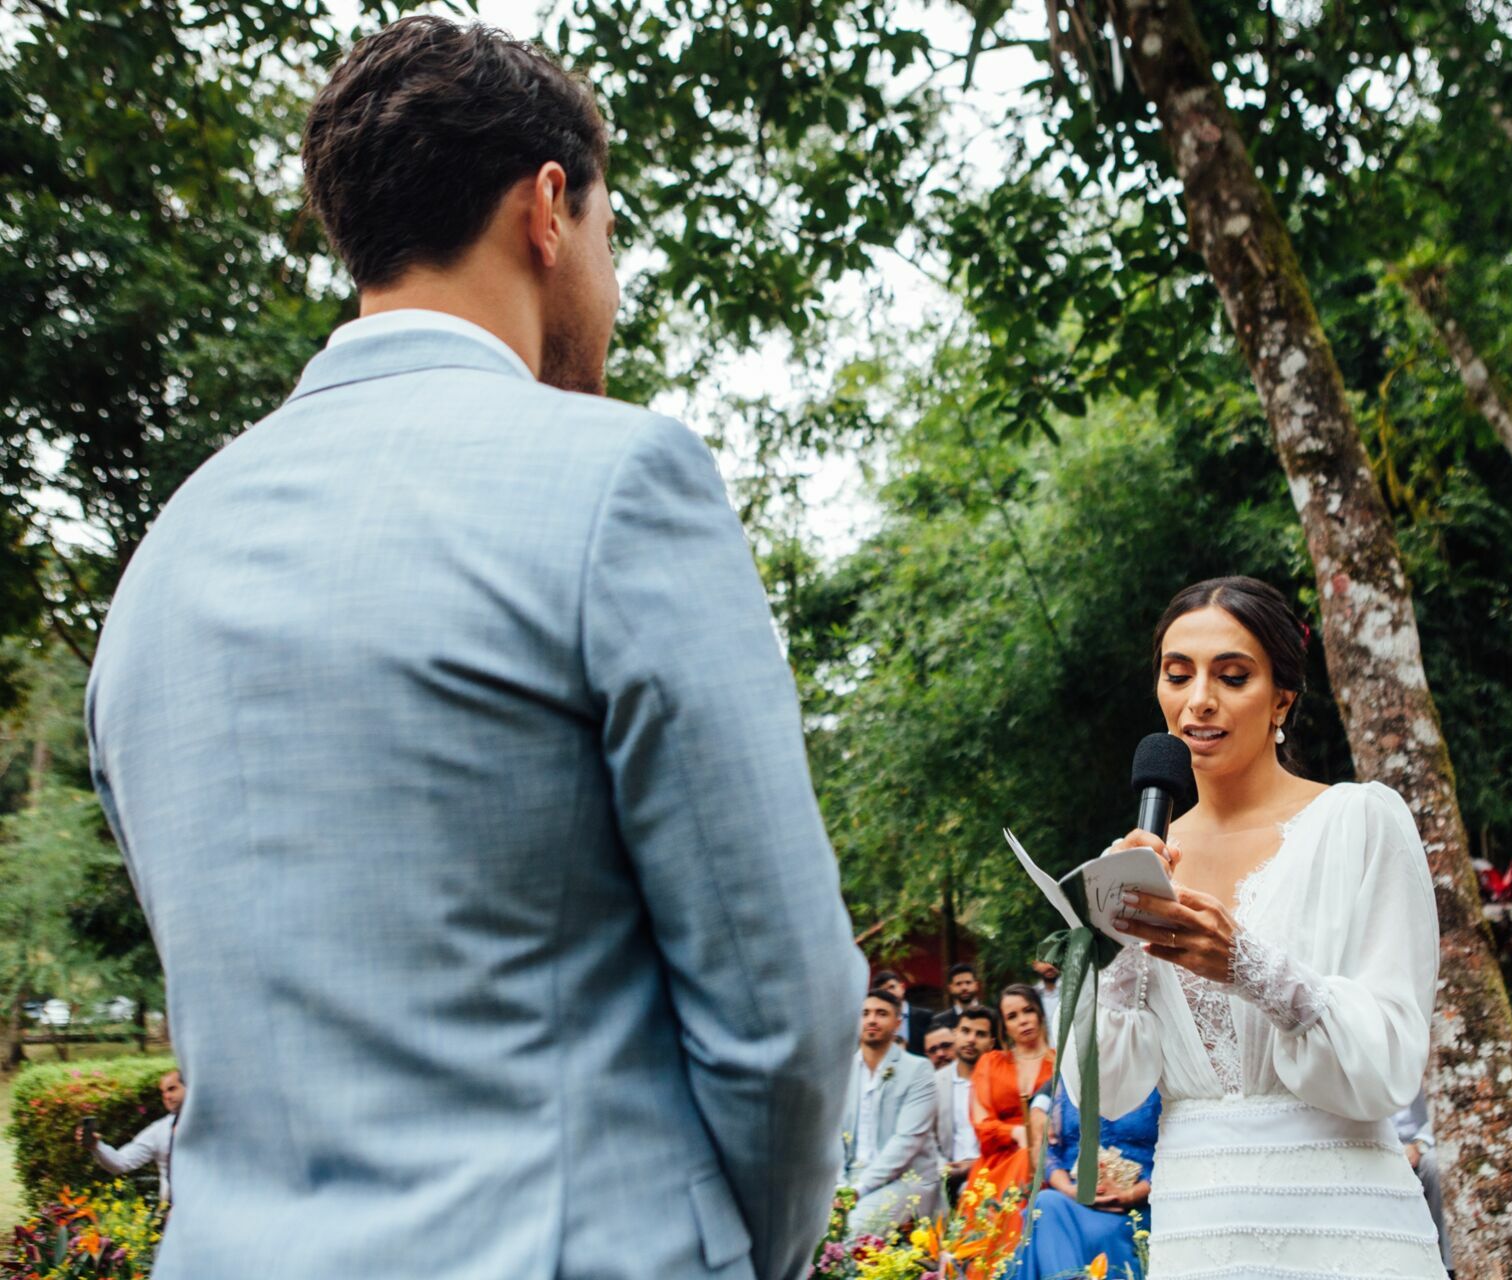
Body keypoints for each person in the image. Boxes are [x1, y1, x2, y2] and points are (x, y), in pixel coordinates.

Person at [82, 17, 865, 1279]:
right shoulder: (622, 478)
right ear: (548, 208)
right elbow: (787, 1011)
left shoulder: (160, 563)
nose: (610, 280)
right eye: (611, 234)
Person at [1072, 576, 1446, 1279]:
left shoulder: (1360, 823)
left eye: (1232, 675)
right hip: (1199, 1230)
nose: (1199, 699)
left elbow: (1392, 1062)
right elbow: (1107, 1092)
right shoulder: (1132, 863)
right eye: (1177, 674)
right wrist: (1115, 950)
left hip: (1351, 1228)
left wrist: (1247, 965)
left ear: (1282, 698)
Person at [1004, 1083, 1160, 1280]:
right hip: (1074, 1200)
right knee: (1046, 1203)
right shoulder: (1069, 1080)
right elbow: (1048, 1151)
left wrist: (1131, 1195)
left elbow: (1178, 1158)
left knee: (1088, 1231)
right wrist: (1069, 1189)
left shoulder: (1160, 1081)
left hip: (1140, 1204)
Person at [954, 985, 1054, 1277]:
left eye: (1028, 1011)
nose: (1022, 1021)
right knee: (1024, 1160)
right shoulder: (990, 1062)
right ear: (1004, 1027)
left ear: (1040, 1014)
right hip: (997, 1162)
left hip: (1049, 1159)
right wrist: (1016, 1133)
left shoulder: (1061, 1062)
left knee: (1031, 1160)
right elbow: (982, 1123)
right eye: (1012, 1016)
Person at [842, 989, 940, 1238]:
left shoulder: (918, 1069)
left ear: (897, 1023)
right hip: (850, 1178)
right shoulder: (843, 1071)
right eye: (865, 1013)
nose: (871, 1020)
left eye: (881, 1013)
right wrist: (839, 1187)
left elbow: (907, 1141)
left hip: (905, 1179)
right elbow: (831, 1137)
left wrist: (857, 1191)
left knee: (852, 1228)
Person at [77, 1069, 184, 1208]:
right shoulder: (160, 1130)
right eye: (163, 1092)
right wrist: (96, 1146)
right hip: (176, 1214)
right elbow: (121, 1162)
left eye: (172, 1089)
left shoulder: (210, 1125)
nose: (167, 1096)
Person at [933, 1004, 998, 1204]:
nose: (971, 1039)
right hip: (943, 1174)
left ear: (991, 1043)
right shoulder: (935, 1082)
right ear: (955, 1034)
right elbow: (926, 1138)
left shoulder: (1001, 1083)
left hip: (990, 1172)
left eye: (980, 1034)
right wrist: (943, 1167)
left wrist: (975, 1166)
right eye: (965, 1031)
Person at [1395, 1087, 1455, 1275]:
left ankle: (1450, 1266)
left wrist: (1419, 1145)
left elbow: (1445, 1105)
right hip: (1381, 1146)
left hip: (1426, 1142)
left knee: (1436, 1165)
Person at [876, 970, 931, 1057]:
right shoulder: (877, 1023)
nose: (889, 992)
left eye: (892, 987)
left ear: (902, 987)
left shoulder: (925, 1017)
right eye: (884, 991)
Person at [1031, 958, 1063, 1030]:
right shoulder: (1031, 996)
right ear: (1035, 965)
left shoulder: (1073, 991)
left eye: (1054, 961)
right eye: (1044, 962)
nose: (1050, 966)